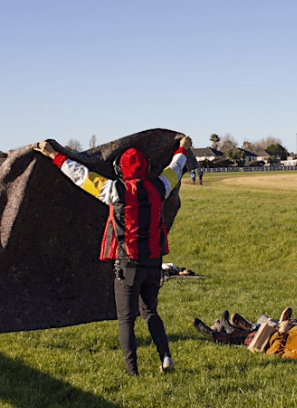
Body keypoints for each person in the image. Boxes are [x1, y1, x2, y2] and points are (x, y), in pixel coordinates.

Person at [35, 136, 193, 376]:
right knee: (150, 312)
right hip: (154, 264)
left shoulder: (114, 189)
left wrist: (53, 156)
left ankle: (132, 373)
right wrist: (182, 148)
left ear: (120, 169)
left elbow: (81, 176)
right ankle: (166, 357)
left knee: (126, 320)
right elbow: (176, 168)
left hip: (128, 265)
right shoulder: (160, 187)